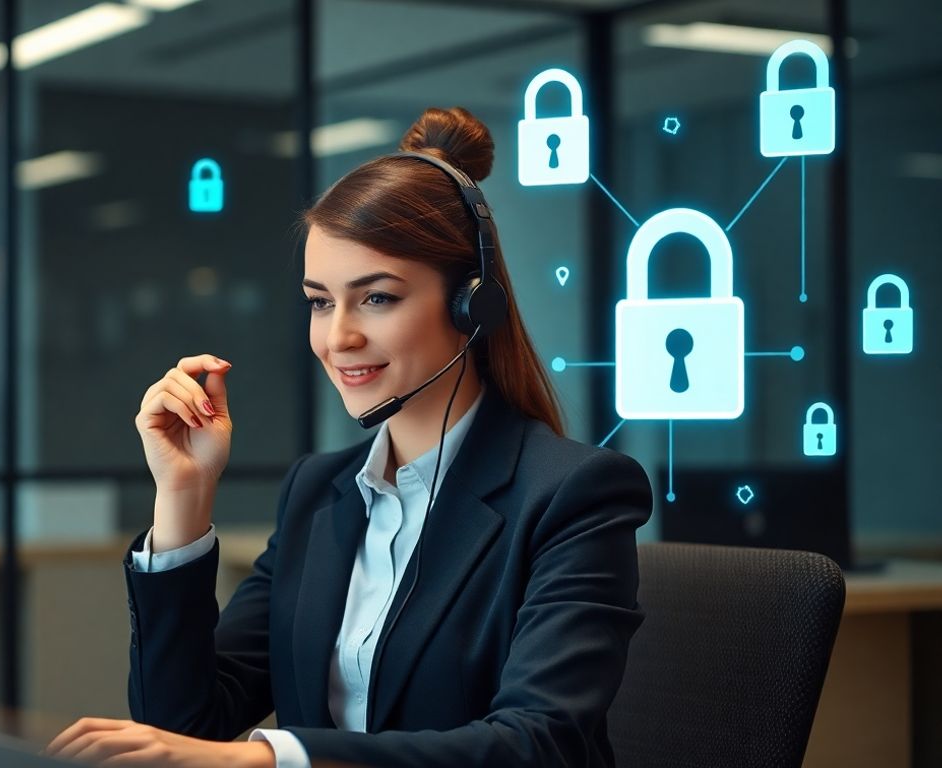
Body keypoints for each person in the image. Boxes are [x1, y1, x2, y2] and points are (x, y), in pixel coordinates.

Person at [45, 106, 653, 768]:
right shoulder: (318, 493)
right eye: (320, 301)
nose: (339, 339)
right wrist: (183, 499)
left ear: (471, 306)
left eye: (378, 298)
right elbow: (185, 723)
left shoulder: (572, 495)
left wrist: (272, 760)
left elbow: (541, 743)